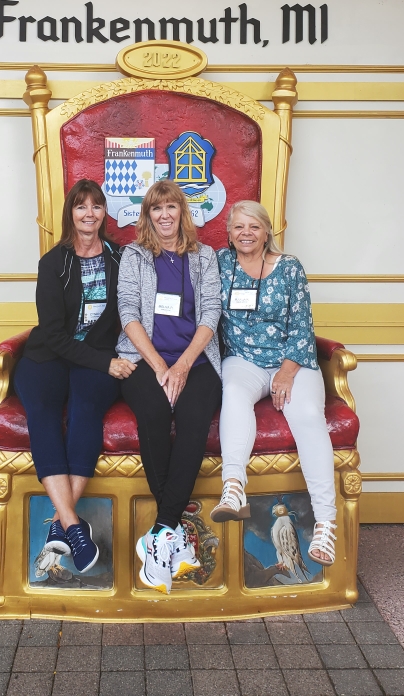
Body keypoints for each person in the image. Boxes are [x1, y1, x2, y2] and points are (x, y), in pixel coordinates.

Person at [14, 179, 136, 573]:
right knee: (42, 411)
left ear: (104, 213)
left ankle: (60, 526)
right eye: (81, 206)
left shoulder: (120, 259)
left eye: (96, 206)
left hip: (94, 359)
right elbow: (52, 334)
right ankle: (72, 524)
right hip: (47, 356)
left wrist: (106, 362)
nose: (89, 213)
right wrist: (105, 363)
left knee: (86, 408)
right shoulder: (53, 262)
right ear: (71, 212)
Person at [211, 200, 337, 566]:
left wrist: (286, 371)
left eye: (254, 226)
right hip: (244, 360)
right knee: (234, 393)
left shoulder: (290, 267)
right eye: (239, 227)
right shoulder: (220, 263)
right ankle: (233, 488)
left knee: (308, 415)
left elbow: (302, 326)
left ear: (267, 231)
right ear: (229, 233)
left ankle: (325, 523)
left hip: (291, 361)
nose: (246, 233)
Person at [116, 179, 223, 593]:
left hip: (196, 360)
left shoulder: (204, 256)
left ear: (182, 212)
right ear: (148, 215)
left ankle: (160, 532)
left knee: (195, 419)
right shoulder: (134, 256)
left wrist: (182, 366)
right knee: (155, 412)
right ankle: (171, 534)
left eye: (171, 207)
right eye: (156, 208)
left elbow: (210, 312)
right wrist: (161, 366)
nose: (164, 215)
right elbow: (128, 311)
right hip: (144, 358)